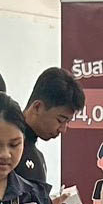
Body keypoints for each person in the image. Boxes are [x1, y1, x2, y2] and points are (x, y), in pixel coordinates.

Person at [18, 66, 84, 195]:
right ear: (37, 107)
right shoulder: (9, 151)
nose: (63, 129)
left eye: (67, 122)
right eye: (60, 120)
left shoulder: (37, 156)